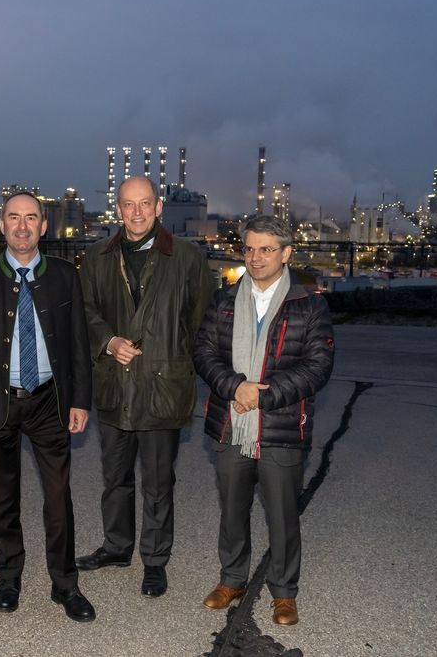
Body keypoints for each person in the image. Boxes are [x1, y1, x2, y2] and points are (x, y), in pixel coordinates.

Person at [0, 191, 96, 623]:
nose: (22, 226)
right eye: (13, 217)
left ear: (43, 226)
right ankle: (9, 577)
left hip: (50, 400)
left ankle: (65, 584)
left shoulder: (65, 275)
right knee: (2, 497)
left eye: (30, 218)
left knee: (58, 496)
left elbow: (78, 341)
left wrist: (80, 400)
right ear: (1, 225)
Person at [192, 215, 334, 626]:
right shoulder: (224, 300)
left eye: (266, 249)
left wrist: (261, 395)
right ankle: (232, 580)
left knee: (283, 514)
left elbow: (317, 367)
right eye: (249, 249)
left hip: (282, 427)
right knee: (232, 509)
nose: (255, 258)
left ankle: (284, 592)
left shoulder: (309, 304)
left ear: (286, 253)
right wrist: (236, 387)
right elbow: (204, 352)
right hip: (230, 423)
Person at [76, 175, 214, 598]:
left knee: (157, 481)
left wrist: (172, 361)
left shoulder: (186, 257)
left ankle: (154, 560)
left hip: (162, 387)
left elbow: (201, 320)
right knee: (115, 475)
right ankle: (117, 547)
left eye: (144, 203)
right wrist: (109, 341)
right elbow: (85, 311)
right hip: (115, 384)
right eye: (128, 204)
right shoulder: (98, 256)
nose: (136, 212)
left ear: (158, 207)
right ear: (118, 209)